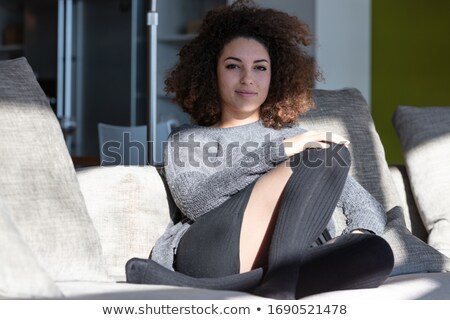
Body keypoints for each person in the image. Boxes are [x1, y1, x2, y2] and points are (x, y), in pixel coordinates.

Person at [126, 0, 394, 299]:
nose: (247, 78)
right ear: (210, 72)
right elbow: (197, 204)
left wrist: (356, 237)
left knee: (377, 252)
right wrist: (277, 152)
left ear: (275, 77)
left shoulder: (299, 138)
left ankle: (274, 283)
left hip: (284, 255)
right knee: (322, 154)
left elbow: (365, 206)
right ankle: (276, 279)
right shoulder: (188, 138)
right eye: (233, 66)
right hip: (214, 250)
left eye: (260, 67)